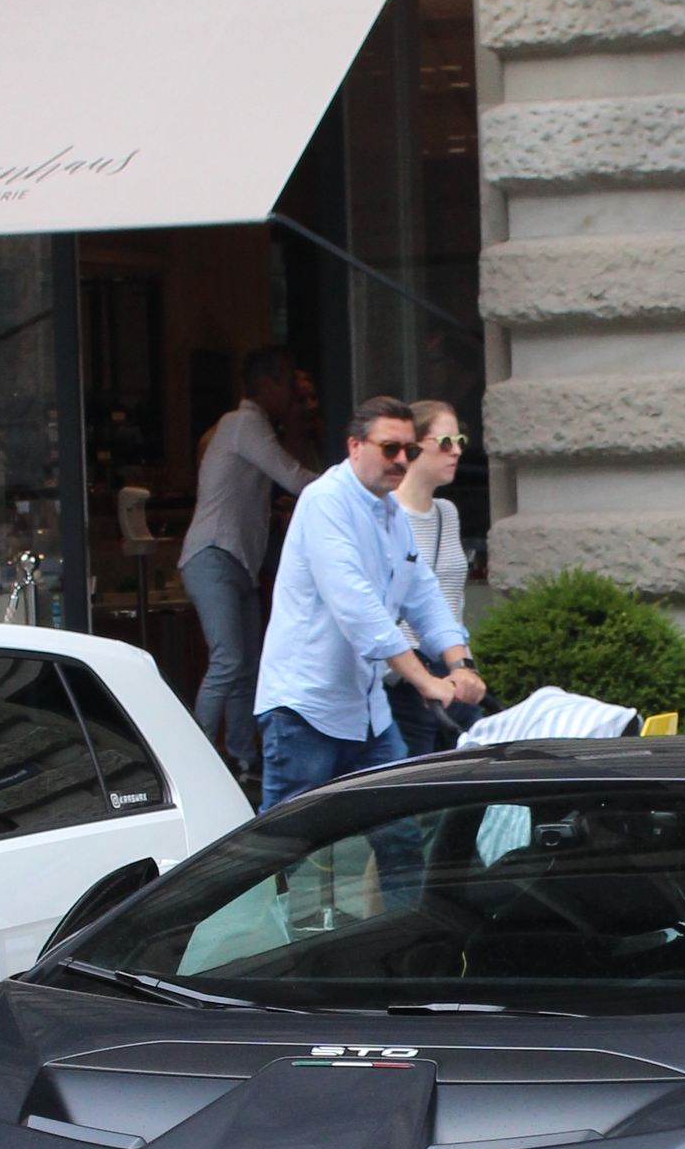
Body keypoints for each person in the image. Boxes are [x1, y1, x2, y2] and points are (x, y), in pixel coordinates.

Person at [254, 393, 483, 809]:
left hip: (366, 711)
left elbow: (425, 596)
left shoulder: (391, 513)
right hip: (306, 709)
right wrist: (425, 680)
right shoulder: (325, 501)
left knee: (399, 833)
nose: (400, 459)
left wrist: (459, 664)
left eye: (409, 450)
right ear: (354, 446)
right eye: (389, 448)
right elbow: (358, 609)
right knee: (285, 843)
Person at [178, 344, 312, 782]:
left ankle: (241, 758)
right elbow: (290, 474)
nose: (295, 393)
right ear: (269, 384)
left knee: (245, 666)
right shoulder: (243, 423)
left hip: (236, 560)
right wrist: (349, 487)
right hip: (213, 554)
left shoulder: (249, 428)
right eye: (291, 383)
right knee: (228, 660)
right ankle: (193, 759)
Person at [392, 400, 472, 759]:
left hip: (455, 673)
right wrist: (421, 677)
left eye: (460, 440)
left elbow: (452, 600)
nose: (455, 450)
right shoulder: (386, 515)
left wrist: (464, 665)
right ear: (414, 446)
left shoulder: (447, 514)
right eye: (444, 441)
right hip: (406, 679)